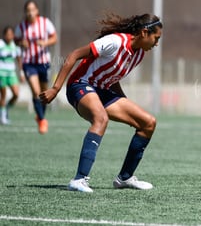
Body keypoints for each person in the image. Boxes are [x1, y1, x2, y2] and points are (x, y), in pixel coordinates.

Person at [39, 13, 162, 193]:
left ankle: (125, 178)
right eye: (156, 38)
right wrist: (55, 88)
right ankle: (79, 179)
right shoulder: (115, 41)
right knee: (101, 119)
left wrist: (125, 103)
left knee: (148, 123)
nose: (156, 43)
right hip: (80, 85)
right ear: (144, 32)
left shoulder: (138, 55)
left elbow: (113, 78)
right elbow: (74, 55)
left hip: (102, 91)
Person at [14, 0, 57, 134]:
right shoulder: (21, 27)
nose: (30, 12)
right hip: (29, 63)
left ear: (37, 11)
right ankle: (43, 120)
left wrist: (45, 43)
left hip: (43, 62)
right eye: (28, 10)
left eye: (32, 9)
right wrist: (21, 43)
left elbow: (54, 38)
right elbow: (16, 40)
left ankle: (39, 116)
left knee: (44, 93)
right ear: (25, 12)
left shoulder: (45, 23)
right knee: (36, 91)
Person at [0, 26, 24, 124]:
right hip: (1, 73)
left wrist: (21, 73)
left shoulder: (16, 46)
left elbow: (19, 60)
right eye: (7, 34)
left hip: (12, 74)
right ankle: (3, 117)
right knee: (3, 95)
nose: (9, 36)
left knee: (16, 94)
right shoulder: (1, 44)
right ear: (4, 35)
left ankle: (6, 110)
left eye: (11, 34)